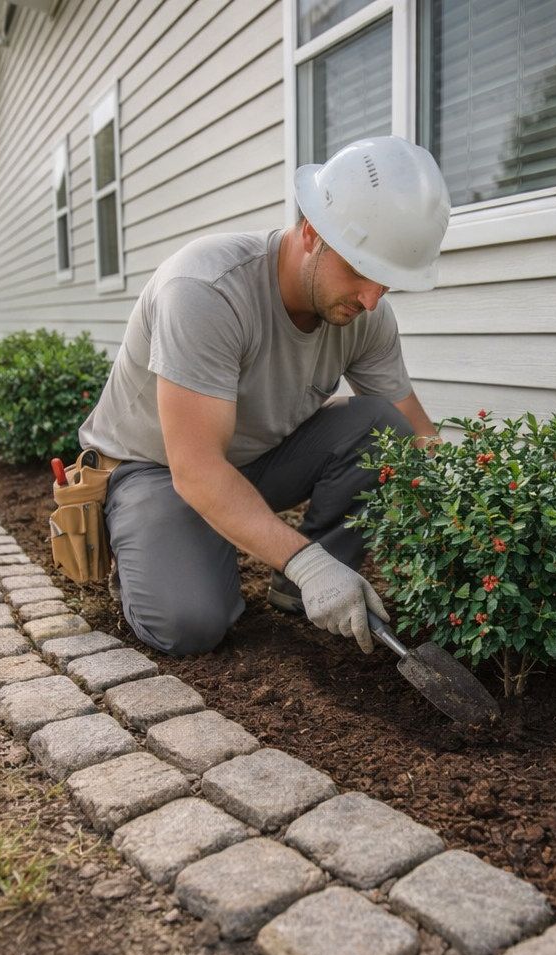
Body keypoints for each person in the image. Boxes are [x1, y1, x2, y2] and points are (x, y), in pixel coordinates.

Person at [76, 136, 451, 657]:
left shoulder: (364, 314)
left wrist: (468, 524)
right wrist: (308, 558)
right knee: (191, 623)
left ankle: (301, 589)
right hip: (158, 469)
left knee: (382, 426)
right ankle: (154, 556)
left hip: (252, 461)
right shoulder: (207, 289)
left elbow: (417, 434)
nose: (371, 299)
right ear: (311, 232)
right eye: (361, 271)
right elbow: (197, 469)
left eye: (386, 282)